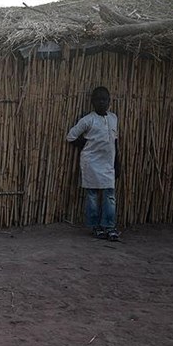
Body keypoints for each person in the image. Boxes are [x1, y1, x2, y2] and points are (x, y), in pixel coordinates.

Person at [66, 86, 121, 241]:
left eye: (105, 99)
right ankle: (95, 226)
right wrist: (86, 144)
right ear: (92, 102)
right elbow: (71, 136)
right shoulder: (87, 120)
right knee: (92, 196)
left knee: (109, 195)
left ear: (109, 101)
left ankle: (109, 226)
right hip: (91, 163)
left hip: (108, 164)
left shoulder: (113, 118)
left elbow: (115, 142)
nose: (102, 102)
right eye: (98, 99)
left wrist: (117, 163)